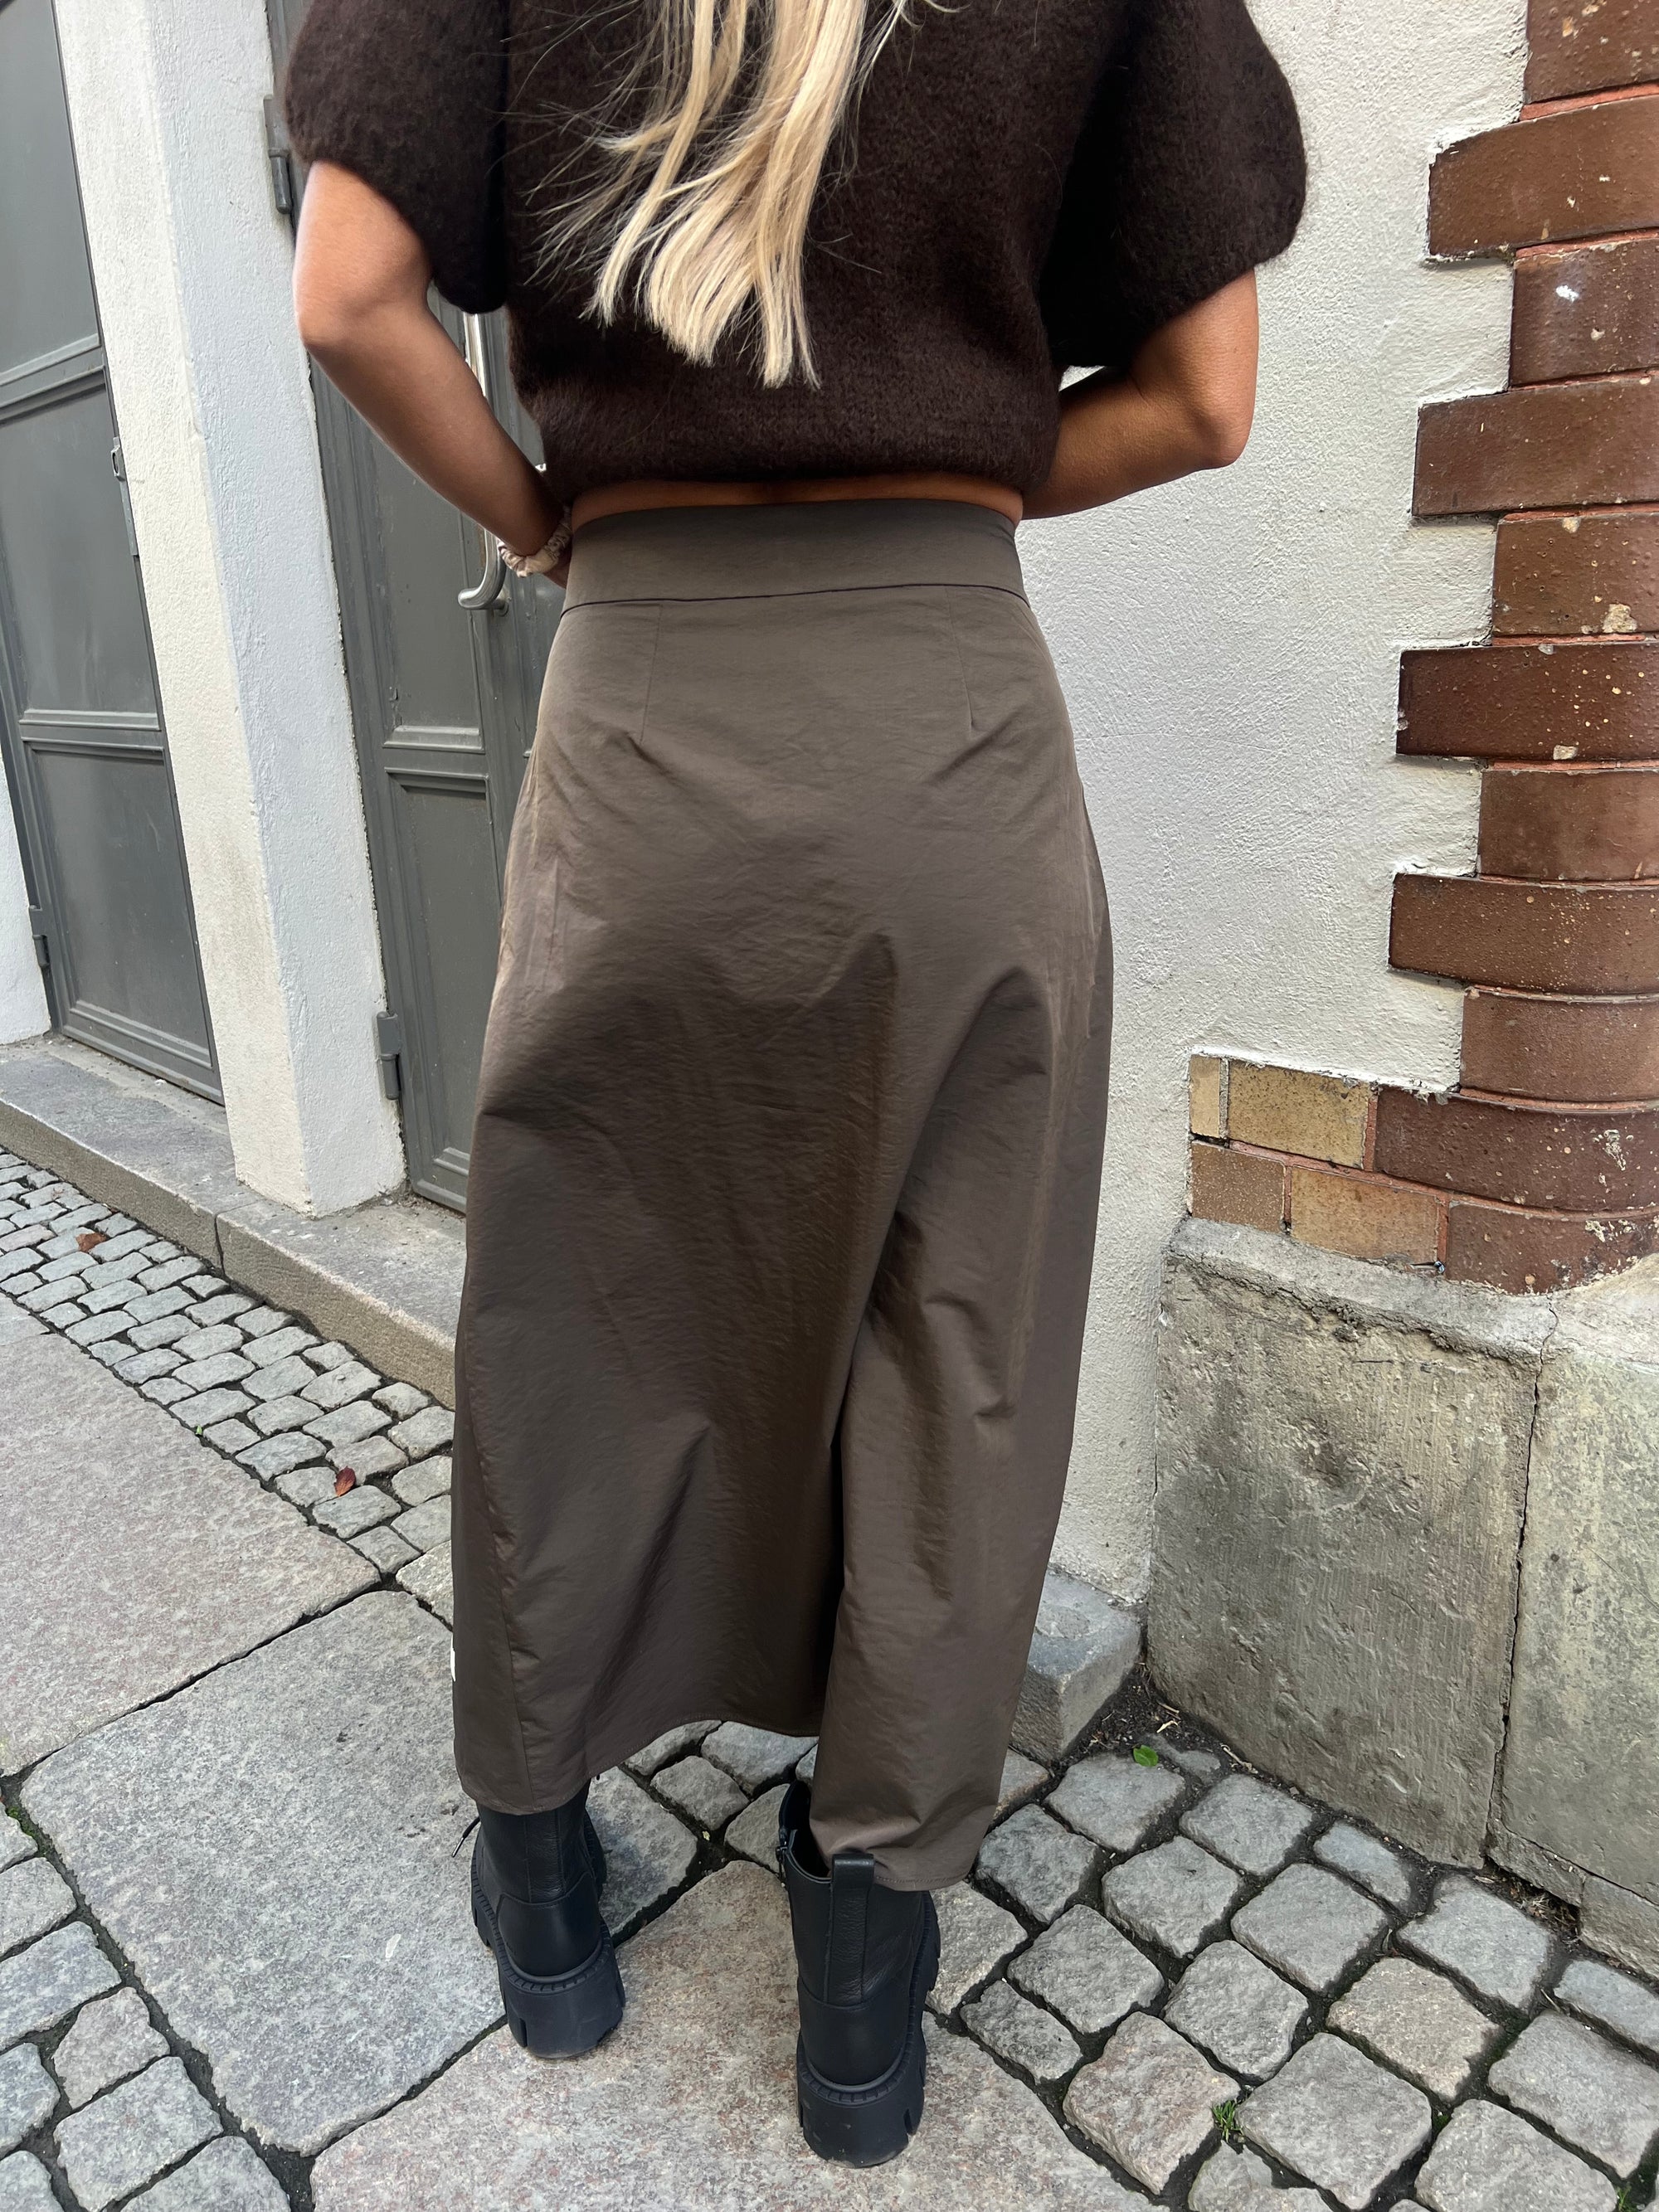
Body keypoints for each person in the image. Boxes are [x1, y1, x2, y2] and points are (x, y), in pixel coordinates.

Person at [285, 0, 1303, 2166]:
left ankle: (547, 1900)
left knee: (580, 1306)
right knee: (960, 1341)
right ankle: (862, 2000)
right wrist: (957, 463)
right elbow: (1208, 396)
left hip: (649, 705)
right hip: (953, 726)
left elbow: (353, 296)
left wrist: (552, 523)